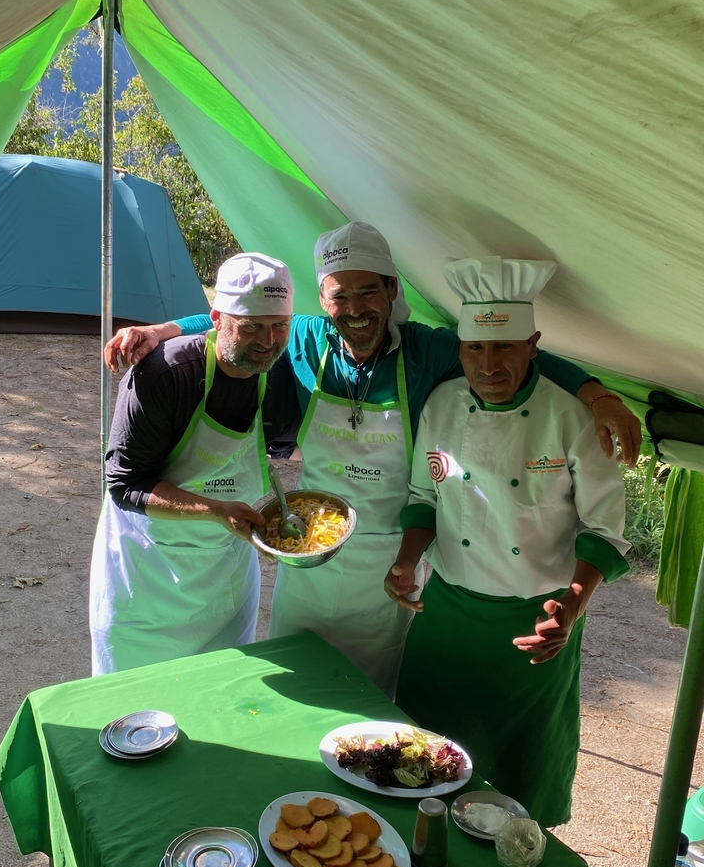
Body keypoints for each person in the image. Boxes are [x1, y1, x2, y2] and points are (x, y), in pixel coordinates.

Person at [104, 223, 641, 695]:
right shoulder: (305, 339)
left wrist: (596, 395)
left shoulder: (427, 351)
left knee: (370, 694)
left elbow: (513, 346)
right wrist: (164, 330)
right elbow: (235, 317)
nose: (356, 309)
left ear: (392, 290)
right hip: (307, 555)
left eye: (368, 291)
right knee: (299, 680)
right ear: (323, 299)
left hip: (387, 564)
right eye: (340, 295)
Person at [384, 255, 631, 826]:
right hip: (446, 615)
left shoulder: (571, 417)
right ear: (460, 349)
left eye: (505, 348)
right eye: (475, 348)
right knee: (424, 757)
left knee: (521, 771)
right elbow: (424, 496)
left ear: (533, 346)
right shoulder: (442, 404)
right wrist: (406, 560)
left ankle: (519, 850)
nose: (489, 364)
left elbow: (604, 530)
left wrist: (570, 608)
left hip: (535, 621)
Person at [90, 253, 299, 674]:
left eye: (279, 325)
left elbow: (280, 447)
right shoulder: (165, 374)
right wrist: (216, 510)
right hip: (147, 574)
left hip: (224, 577)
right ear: (217, 319)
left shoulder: (277, 375)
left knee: (219, 687)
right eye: (251, 326)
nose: (267, 341)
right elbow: (125, 484)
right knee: (133, 696)